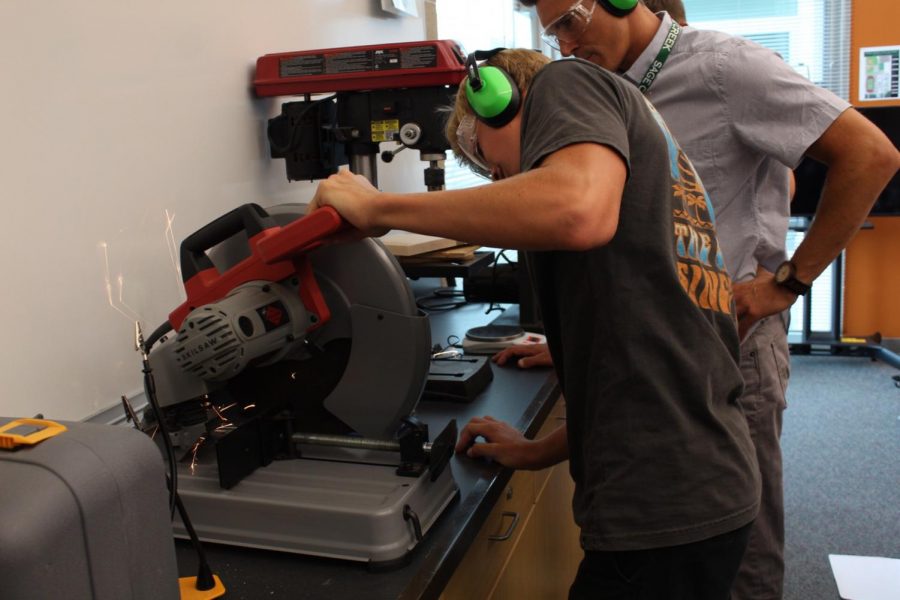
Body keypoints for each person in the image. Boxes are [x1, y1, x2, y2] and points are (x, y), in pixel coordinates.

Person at [311, 47, 760, 599]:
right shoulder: (648, 153)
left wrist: (378, 208)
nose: (491, 174)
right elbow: (654, 380)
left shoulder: (565, 83)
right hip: (700, 485)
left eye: (480, 151)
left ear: (502, 99)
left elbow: (574, 211)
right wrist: (536, 449)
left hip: (662, 508)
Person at [502, 1, 900, 598]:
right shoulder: (612, 91)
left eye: (569, 21)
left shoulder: (722, 66)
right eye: (551, 31)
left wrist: (785, 284)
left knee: (743, 558)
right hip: (662, 346)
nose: (561, 44)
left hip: (733, 346)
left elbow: (872, 155)